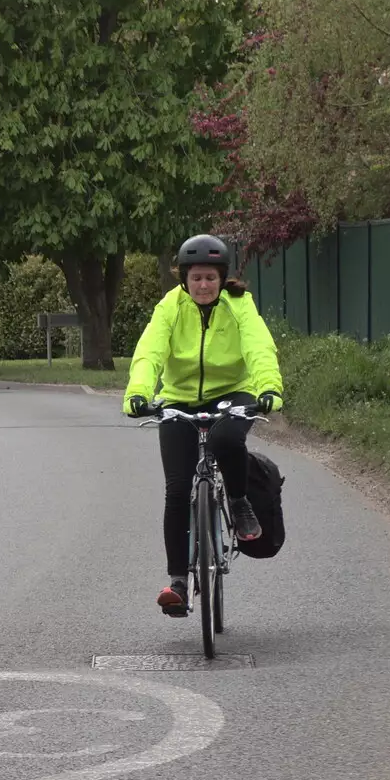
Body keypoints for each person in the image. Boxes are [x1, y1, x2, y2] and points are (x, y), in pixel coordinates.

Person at [123, 234, 285, 618]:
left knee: (228, 438)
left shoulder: (239, 304)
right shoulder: (170, 307)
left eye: (210, 278)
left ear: (222, 277)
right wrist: (138, 392)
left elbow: (258, 346)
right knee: (177, 490)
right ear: (184, 279)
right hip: (179, 398)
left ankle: (240, 502)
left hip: (233, 393)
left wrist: (268, 388)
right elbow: (150, 350)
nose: (203, 285)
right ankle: (178, 582)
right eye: (195, 278)